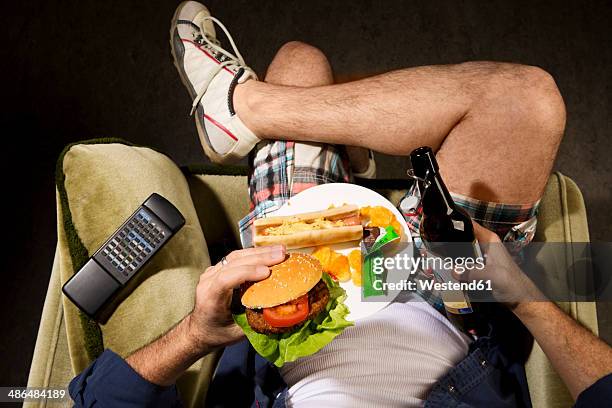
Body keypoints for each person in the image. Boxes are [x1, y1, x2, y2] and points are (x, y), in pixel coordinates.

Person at [68, 2, 612, 407]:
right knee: (526, 101)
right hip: (456, 301)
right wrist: (524, 298)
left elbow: (96, 401)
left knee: (300, 61)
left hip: (300, 293)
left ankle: (250, 108)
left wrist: (197, 334)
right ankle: (268, 113)